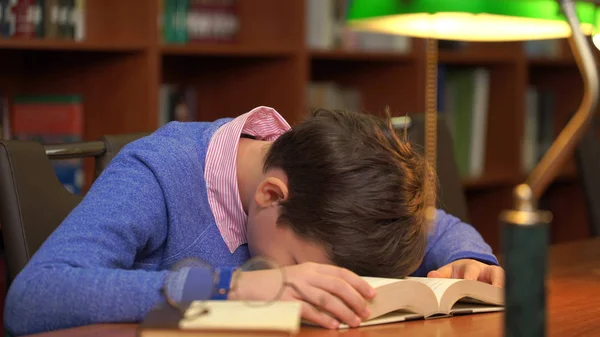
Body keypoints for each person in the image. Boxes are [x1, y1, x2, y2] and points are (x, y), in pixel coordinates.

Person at [4, 106, 504, 335]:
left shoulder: (329, 184)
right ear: (270, 195)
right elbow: (34, 297)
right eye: (293, 263)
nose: (295, 278)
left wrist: (468, 258)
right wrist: (237, 287)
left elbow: (438, 224)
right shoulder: (157, 172)